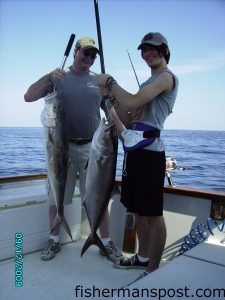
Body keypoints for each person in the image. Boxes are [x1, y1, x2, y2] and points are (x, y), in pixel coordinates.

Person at [24, 36, 123, 263]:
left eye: (92, 55)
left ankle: (106, 243)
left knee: (99, 196)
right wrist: (48, 77)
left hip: (93, 147)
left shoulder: (98, 81)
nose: (88, 58)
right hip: (61, 147)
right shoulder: (59, 77)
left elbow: (110, 112)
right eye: (85, 53)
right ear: (76, 52)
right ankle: (54, 240)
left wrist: (123, 131)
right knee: (55, 198)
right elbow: (28, 96)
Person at [98, 32, 179, 283]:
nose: (148, 53)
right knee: (140, 212)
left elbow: (132, 101)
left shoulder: (166, 78)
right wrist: (109, 100)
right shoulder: (148, 82)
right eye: (144, 50)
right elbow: (130, 114)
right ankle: (142, 257)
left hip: (150, 153)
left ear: (164, 50)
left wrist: (110, 83)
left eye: (153, 48)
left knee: (153, 214)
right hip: (134, 151)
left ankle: (153, 270)